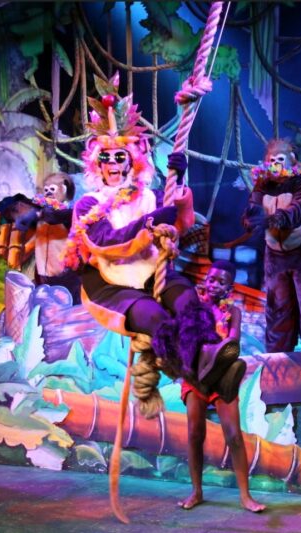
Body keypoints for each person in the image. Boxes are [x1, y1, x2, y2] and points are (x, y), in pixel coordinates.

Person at [64, 73, 244, 410]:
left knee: (188, 302)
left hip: (152, 274)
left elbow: (182, 223)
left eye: (120, 157)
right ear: (96, 165)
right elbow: (106, 242)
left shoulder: (149, 196)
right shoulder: (89, 205)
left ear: (132, 161)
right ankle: (205, 376)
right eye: (106, 158)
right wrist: (149, 224)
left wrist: (180, 187)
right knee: (156, 318)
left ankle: (213, 362)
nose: (113, 164)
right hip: (110, 285)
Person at [179, 259, 265, 512]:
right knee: (195, 434)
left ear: (230, 288)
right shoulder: (194, 306)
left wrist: (219, 339)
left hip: (222, 378)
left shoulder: (233, 312)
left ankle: (246, 496)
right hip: (195, 375)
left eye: (221, 282)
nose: (214, 284)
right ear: (205, 280)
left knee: (234, 435)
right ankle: (196, 492)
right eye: (211, 279)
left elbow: (233, 340)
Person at [241, 139, 301, 352]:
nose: (276, 164)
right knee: (277, 308)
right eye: (272, 160)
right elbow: (253, 208)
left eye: (280, 159)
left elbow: (296, 211)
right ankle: (277, 356)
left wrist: (272, 219)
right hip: (276, 255)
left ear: (291, 161)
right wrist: (250, 219)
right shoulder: (262, 184)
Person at [14, 172, 81, 303]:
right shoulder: (42, 212)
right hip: (43, 273)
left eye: (52, 189)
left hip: (65, 274)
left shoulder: (70, 212)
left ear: (64, 189)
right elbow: (23, 223)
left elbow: (54, 217)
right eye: (46, 190)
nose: (48, 193)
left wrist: (37, 214)